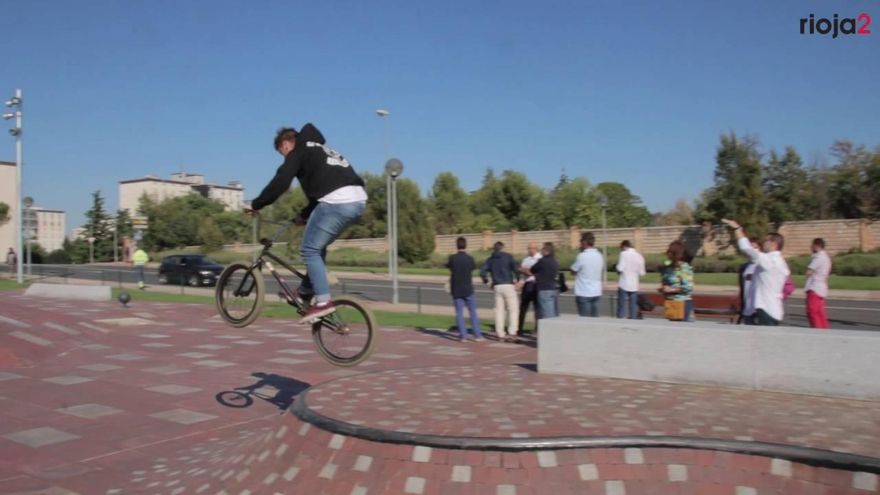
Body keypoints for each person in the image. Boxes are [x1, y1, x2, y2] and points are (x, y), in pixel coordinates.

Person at [248, 124, 367, 323]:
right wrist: (303, 216)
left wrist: (256, 204)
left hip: (337, 200)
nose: (285, 158)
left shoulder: (298, 150)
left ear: (286, 144)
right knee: (318, 247)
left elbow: (281, 181)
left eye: (282, 153)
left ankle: (322, 302)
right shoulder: (317, 150)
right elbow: (323, 189)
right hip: (357, 201)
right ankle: (304, 291)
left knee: (309, 250)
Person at [721, 219, 790, 326]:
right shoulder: (781, 262)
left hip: (765, 309)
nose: (764, 243)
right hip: (775, 310)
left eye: (767, 241)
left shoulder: (769, 260)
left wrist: (737, 229)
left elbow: (746, 248)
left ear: (774, 244)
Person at [480, 242, 521, 342]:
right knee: (513, 309)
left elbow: (482, 272)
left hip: (497, 285)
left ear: (494, 249)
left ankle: (500, 333)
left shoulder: (490, 259)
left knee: (499, 311)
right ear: (503, 248)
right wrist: (518, 280)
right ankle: (512, 332)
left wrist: (487, 282)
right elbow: (516, 269)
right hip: (508, 284)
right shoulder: (508, 257)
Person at [447, 237, 484, 342]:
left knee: (459, 313)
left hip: (456, 289)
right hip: (468, 288)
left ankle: (463, 336)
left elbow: (450, 267)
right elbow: (472, 268)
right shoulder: (470, 258)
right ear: (465, 245)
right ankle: (477, 335)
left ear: (457, 245)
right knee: (473, 312)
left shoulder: (452, 258)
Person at [659, 240, 694, 321]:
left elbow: (688, 287)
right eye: (668, 251)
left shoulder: (684, 268)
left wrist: (671, 290)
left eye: (671, 252)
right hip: (670, 303)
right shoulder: (668, 267)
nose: (668, 254)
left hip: (682, 303)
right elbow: (665, 281)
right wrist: (663, 288)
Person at [571, 232, 603, 317]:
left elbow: (573, 270)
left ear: (584, 242)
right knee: (594, 319)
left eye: (581, 241)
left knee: (585, 320)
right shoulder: (599, 255)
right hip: (596, 291)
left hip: (584, 291)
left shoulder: (582, 256)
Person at [805, 237, 832, 329]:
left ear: (817, 246)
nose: (810, 247)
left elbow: (809, 271)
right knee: (820, 312)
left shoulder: (818, 258)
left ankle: (817, 330)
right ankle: (824, 330)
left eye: (812, 245)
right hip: (822, 287)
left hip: (814, 287)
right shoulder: (826, 257)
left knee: (812, 312)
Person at [528, 242, 560, 319]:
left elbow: (533, 269)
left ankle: (548, 329)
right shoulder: (555, 261)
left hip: (544, 288)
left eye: (542, 249)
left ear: (546, 251)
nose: (541, 251)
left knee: (547, 314)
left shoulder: (542, 261)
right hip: (553, 288)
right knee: (554, 312)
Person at [615, 240, 646, 319]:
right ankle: (633, 320)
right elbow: (642, 273)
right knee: (633, 306)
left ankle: (620, 319)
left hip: (624, 283)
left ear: (624, 246)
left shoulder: (623, 254)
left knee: (621, 305)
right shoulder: (639, 256)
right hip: (634, 284)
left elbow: (620, 268)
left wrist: (617, 268)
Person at [517, 242, 542, 332]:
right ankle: (519, 328)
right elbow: (521, 270)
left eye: (531, 248)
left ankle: (537, 328)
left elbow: (533, 272)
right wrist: (521, 282)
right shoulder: (526, 259)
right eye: (528, 248)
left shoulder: (539, 259)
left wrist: (526, 270)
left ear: (536, 248)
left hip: (535, 284)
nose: (529, 250)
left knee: (537, 308)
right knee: (523, 307)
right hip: (526, 284)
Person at [737, 237, 761, 324]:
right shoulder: (744, 267)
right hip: (747, 309)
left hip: (758, 309)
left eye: (755, 248)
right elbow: (743, 289)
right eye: (751, 248)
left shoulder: (762, 264)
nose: (752, 251)